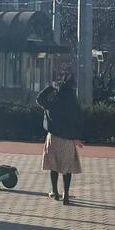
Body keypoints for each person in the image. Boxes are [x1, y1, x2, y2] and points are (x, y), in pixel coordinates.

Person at [38, 75, 85, 205]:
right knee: (67, 168)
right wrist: (77, 137)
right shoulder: (74, 105)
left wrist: (50, 88)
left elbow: (40, 99)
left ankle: (55, 192)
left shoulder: (53, 102)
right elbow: (79, 120)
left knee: (53, 166)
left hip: (53, 138)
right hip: (68, 140)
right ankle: (66, 195)